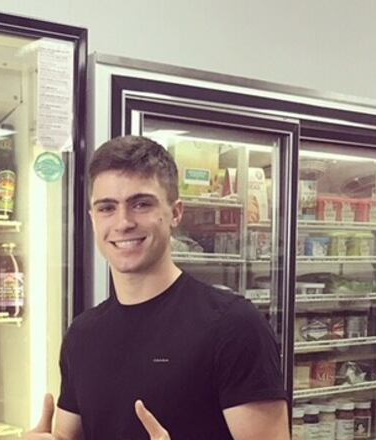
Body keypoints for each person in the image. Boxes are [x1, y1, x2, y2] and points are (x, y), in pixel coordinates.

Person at [26, 136, 289, 440]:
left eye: (141, 204)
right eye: (107, 208)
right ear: (93, 218)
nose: (123, 222)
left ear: (176, 212)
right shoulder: (82, 335)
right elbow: (68, 437)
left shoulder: (234, 325)